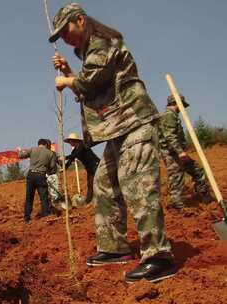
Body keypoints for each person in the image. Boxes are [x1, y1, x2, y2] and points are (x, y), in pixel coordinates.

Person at [49, 3, 175, 283]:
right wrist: (71, 72)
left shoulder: (104, 41)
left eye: (65, 30)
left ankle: (158, 256)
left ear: (80, 20)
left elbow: (91, 82)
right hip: (117, 129)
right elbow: (91, 86)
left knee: (136, 183)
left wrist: (67, 79)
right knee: (104, 184)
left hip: (134, 121)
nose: (64, 38)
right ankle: (114, 248)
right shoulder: (92, 51)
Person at [158, 95, 212, 211]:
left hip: (178, 152)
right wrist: (180, 152)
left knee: (197, 171)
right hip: (172, 153)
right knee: (177, 178)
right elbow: (170, 136)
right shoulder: (168, 115)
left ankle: (205, 199)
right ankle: (178, 207)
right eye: (182, 105)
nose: (183, 108)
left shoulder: (173, 116)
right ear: (177, 103)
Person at [18, 138, 58, 222]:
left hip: (31, 175)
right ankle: (46, 214)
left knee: (29, 197)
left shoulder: (32, 149)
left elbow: (20, 156)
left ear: (38, 144)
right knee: (43, 196)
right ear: (46, 145)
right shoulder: (50, 153)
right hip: (41, 175)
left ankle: (26, 217)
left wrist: (20, 151)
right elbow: (52, 167)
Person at [64, 132, 100, 204]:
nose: (69, 143)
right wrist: (64, 168)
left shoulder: (82, 145)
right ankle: (88, 201)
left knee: (99, 182)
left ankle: (102, 199)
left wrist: (65, 157)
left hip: (96, 165)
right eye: (69, 141)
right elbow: (70, 161)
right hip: (89, 168)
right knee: (90, 184)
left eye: (70, 141)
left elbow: (76, 154)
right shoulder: (74, 151)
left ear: (75, 140)